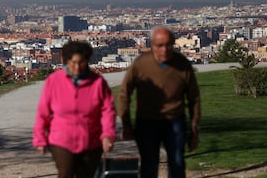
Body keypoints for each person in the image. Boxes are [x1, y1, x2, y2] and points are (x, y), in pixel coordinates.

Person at [118, 26, 201, 178]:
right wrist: (127, 125)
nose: (164, 49)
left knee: (177, 163)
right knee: (149, 164)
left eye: (169, 44)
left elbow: (193, 98)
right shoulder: (141, 63)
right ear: (152, 45)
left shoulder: (182, 64)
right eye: (159, 45)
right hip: (147, 122)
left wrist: (195, 128)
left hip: (174, 120)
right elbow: (124, 94)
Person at [33, 40, 116, 178]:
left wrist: (108, 135)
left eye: (81, 62)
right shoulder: (54, 81)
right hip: (62, 140)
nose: (77, 67)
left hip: (91, 140)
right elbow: (43, 112)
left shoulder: (97, 82)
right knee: (66, 173)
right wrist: (40, 138)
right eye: (73, 63)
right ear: (66, 61)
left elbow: (107, 111)